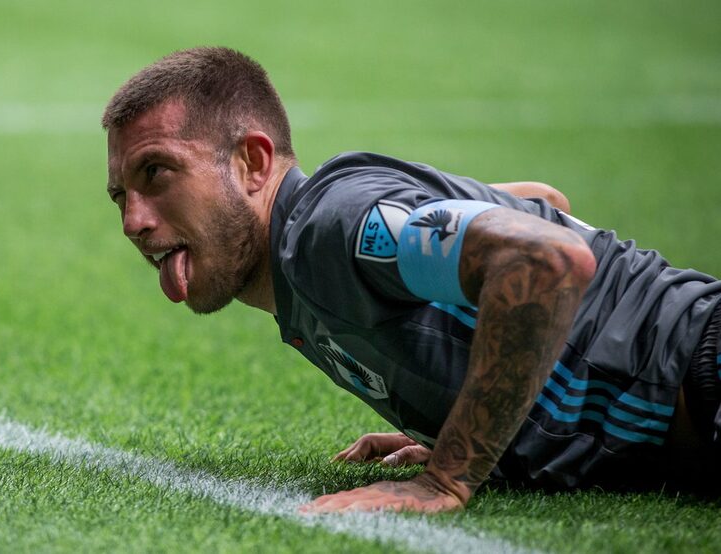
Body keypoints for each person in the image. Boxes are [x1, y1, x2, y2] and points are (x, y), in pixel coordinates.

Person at [101, 47, 721, 513]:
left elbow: (547, 260)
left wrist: (450, 472)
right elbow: (540, 200)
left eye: (157, 172)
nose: (133, 220)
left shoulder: (328, 228)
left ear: (252, 163)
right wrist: (474, 409)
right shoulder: (308, 261)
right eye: (120, 196)